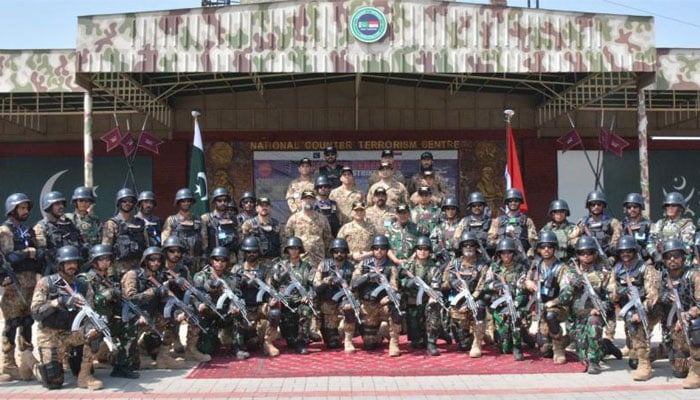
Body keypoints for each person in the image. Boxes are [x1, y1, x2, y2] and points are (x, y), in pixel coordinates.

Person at [30, 245, 103, 390]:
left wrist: (90, 328)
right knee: (53, 381)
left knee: (95, 332)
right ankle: (31, 364)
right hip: (51, 334)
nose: (72, 266)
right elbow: (36, 312)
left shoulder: (82, 285)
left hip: (73, 332)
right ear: (60, 264)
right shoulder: (47, 283)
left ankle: (84, 376)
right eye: (68, 263)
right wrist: (58, 302)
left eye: (75, 263)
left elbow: (90, 313)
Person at [77, 244, 139, 379]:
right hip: (90, 322)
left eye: (108, 259)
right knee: (89, 344)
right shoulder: (85, 279)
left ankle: (121, 366)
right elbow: (89, 302)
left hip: (108, 319)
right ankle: (84, 369)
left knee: (128, 326)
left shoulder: (109, 279)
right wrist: (110, 293)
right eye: (102, 259)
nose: (106, 262)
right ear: (94, 262)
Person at [120, 247, 186, 370]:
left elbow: (163, 299)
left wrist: (177, 311)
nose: (156, 263)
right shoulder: (133, 275)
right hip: (132, 316)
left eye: (159, 260)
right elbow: (130, 298)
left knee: (172, 319)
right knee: (129, 361)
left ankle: (163, 356)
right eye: (152, 259)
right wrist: (153, 291)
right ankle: (110, 355)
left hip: (150, 314)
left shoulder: (158, 276)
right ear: (145, 261)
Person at [0, 193, 42, 382]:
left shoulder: (27, 230)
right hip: (12, 286)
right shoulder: (5, 231)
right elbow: (7, 258)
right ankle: (8, 365)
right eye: (22, 208)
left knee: (27, 323)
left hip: (30, 283)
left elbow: (38, 254)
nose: (25, 211)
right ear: (12, 210)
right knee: (12, 324)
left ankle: (26, 362)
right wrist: (27, 253)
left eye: (27, 208)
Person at [566, 236, 618, 374]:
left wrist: (602, 306)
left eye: (589, 252)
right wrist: (572, 286)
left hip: (596, 314)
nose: (586, 256)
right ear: (577, 254)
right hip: (577, 316)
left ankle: (594, 362)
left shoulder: (605, 271)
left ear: (595, 253)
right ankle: (605, 346)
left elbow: (612, 296)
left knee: (594, 323)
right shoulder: (571, 270)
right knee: (581, 350)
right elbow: (563, 297)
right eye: (582, 253)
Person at [192, 246, 250, 360]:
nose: (220, 263)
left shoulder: (231, 278)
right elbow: (194, 295)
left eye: (223, 260)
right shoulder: (201, 276)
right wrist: (199, 305)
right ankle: (215, 340)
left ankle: (237, 347)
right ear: (211, 261)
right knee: (207, 349)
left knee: (239, 314)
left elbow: (236, 295)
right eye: (217, 260)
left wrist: (234, 306)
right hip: (207, 314)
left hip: (225, 313)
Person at [658, 238, 700, 389]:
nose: (672, 259)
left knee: (696, 324)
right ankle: (661, 350)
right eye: (668, 256)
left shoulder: (694, 275)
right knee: (679, 371)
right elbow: (651, 299)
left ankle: (697, 371)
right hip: (672, 328)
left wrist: (688, 315)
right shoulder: (662, 277)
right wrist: (661, 298)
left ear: (683, 257)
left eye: (676, 255)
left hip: (690, 322)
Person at [160, 236, 210, 363]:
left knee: (195, 314)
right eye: (172, 251)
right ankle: (164, 353)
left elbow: (191, 289)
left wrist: (198, 303)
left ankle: (191, 350)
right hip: (161, 305)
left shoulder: (182, 269)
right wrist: (171, 281)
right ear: (165, 252)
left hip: (180, 303)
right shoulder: (158, 268)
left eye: (179, 251)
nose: (176, 254)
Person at [351, 235, 401, 356]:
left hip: (383, 305)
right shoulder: (364, 265)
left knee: (396, 309)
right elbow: (353, 283)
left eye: (383, 248)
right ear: (373, 249)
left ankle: (394, 342)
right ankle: (380, 333)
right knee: (369, 344)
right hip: (367, 306)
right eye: (377, 248)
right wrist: (367, 277)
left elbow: (394, 287)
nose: (379, 251)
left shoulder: (390, 267)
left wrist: (388, 297)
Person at [524, 230, 570, 364]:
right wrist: (528, 282)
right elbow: (526, 279)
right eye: (543, 247)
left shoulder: (561, 268)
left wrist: (554, 302)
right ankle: (566, 339)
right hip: (541, 307)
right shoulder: (536, 265)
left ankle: (559, 348)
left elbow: (567, 292)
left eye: (549, 247)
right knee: (544, 351)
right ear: (538, 249)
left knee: (551, 316)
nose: (546, 250)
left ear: (554, 248)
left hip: (558, 307)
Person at [231, 237, 280, 357]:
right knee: (250, 343)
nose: (251, 254)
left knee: (274, 312)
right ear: (244, 252)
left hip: (259, 306)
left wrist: (271, 300)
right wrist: (241, 283)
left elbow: (269, 288)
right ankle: (238, 346)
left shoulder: (264, 269)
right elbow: (231, 289)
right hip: (244, 307)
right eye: (248, 252)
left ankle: (268, 342)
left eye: (254, 252)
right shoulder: (237, 269)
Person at [481, 238, 529, 360]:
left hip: (516, 304)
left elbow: (522, 290)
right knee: (505, 348)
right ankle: (505, 337)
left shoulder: (520, 268)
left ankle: (518, 346)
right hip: (500, 305)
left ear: (513, 253)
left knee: (515, 318)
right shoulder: (495, 268)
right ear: (499, 254)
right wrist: (495, 286)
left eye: (509, 252)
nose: (506, 255)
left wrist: (516, 302)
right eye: (503, 253)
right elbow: (485, 286)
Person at [443, 232, 489, 357]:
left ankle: (477, 342)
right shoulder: (455, 264)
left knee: (480, 307)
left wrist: (470, 301)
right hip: (457, 300)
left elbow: (481, 286)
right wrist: (452, 281)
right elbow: (444, 282)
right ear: (461, 247)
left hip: (474, 299)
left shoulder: (481, 265)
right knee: (463, 344)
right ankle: (472, 337)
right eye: (465, 245)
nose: (468, 248)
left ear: (476, 247)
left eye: (471, 245)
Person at [399, 236, 444, 355]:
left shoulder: (434, 268)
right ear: (415, 250)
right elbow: (399, 280)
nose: (422, 252)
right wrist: (408, 283)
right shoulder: (408, 265)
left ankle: (432, 341)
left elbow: (435, 287)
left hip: (427, 300)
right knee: (417, 344)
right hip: (412, 301)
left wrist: (432, 297)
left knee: (434, 307)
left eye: (426, 249)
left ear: (429, 251)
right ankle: (429, 335)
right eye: (420, 248)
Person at [270, 237, 315, 354]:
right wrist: (283, 273)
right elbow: (273, 283)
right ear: (287, 250)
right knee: (289, 340)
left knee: (306, 311)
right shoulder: (280, 265)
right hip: (285, 302)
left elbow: (313, 285)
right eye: (291, 248)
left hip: (300, 301)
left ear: (300, 250)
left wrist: (309, 295)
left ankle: (302, 341)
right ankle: (290, 338)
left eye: (296, 248)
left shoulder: (307, 267)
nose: (294, 251)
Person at [313, 238, 358, 353]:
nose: (339, 254)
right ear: (332, 252)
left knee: (349, 308)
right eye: (336, 251)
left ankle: (348, 340)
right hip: (328, 304)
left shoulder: (351, 267)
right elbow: (316, 285)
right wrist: (326, 281)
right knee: (332, 344)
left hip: (343, 301)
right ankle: (338, 332)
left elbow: (355, 286)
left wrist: (347, 291)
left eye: (342, 251)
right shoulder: (324, 265)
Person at [34, 190, 85, 275]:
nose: (61, 206)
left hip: (73, 271)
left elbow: (80, 244)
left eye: (62, 204)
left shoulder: (70, 225)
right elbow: (41, 254)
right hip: (53, 273)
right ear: (49, 207)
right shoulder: (41, 227)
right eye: (57, 204)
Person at [101, 188, 148, 279]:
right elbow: (106, 250)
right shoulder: (112, 223)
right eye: (124, 201)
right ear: (119, 203)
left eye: (130, 201)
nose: (127, 203)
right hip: (118, 270)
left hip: (138, 269)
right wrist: (109, 273)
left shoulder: (140, 223)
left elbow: (146, 246)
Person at [569, 190, 622, 262]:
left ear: (603, 205)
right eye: (593, 204)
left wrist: (612, 252)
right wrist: (582, 243)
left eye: (599, 204)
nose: (596, 207)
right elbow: (571, 240)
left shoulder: (612, 222)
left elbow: (618, 238)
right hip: (588, 257)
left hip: (607, 256)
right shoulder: (583, 222)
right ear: (589, 206)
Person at [161, 188, 207, 273]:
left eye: (188, 201)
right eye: (183, 201)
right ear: (178, 202)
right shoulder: (171, 220)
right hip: (177, 260)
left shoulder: (199, 220)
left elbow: (204, 242)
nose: (186, 203)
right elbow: (164, 242)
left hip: (196, 261)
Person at [284, 190, 332, 267]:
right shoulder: (293, 219)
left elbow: (328, 239)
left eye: (311, 199)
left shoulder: (322, 219)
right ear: (301, 201)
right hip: (300, 261)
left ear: (315, 201)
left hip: (318, 260)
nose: (308, 201)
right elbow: (287, 239)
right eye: (305, 199)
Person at [647, 192, 696, 264]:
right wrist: (654, 253)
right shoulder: (659, 224)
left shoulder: (687, 225)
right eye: (668, 206)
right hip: (661, 262)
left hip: (679, 263)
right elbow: (650, 242)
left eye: (673, 206)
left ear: (680, 208)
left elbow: (688, 248)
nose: (670, 208)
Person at [488, 188, 537, 257]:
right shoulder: (498, 220)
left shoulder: (527, 221)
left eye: (516, 201)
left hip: (521, 257)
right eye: (510, 201)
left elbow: (533, 242)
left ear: (520, 202)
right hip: (502, 257)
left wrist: (529, 255)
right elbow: (490, 241)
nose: (513, 203)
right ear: (507, 203)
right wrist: (501, 242)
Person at [240, 197, 282, 264]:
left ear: (270, 208)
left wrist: (283, 261)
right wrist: (242, 263)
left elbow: (283, 244)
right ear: (257, 208)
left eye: (267, 206)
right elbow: (242, 245)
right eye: (261, 206)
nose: (264, 208)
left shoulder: (277, 225)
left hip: (274, 262)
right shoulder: (248, 224)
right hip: (256, 263)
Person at [201, 187, 239, 261]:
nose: (223, 203)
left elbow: (240, 241)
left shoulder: (234, 219)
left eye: (225, 200)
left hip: (231, 259)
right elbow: (204, 243)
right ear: (215, 202)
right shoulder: (206, 219)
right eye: (219, 200)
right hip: (214, 259)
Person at [621, 193, 651, 260]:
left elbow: (652, 245)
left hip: (645, 261)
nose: (632, 209)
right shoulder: (621, 225)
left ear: (641, 207)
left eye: (635, 206)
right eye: (629, 207)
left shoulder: (648, 225)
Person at [430, 197, 461, 263]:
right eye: (448, 209)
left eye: (453, 209)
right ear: (445, 210)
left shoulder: (461, 226)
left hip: (458, 258)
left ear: (456, 210)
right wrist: (439, 250)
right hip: (442, 258)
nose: (450, 211)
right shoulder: (439, 227)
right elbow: (431, 241)